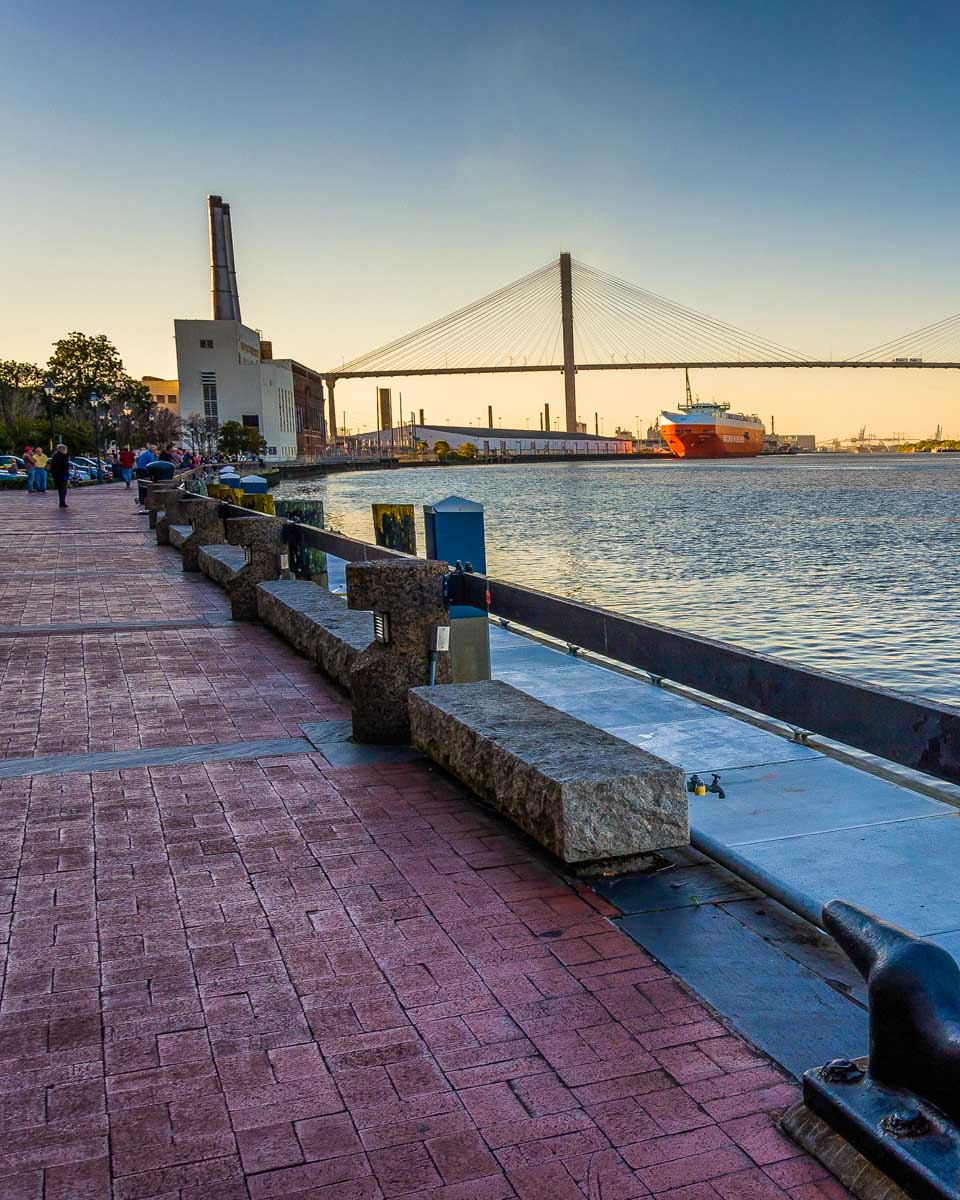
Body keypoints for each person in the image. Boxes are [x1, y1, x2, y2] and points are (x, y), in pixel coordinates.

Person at [49, 443, 71, 509]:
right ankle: (62, 502)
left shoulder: (55, 456)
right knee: (63, 489)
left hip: (56, 475)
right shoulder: (63, 456)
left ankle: (62, 502)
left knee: (60, 489)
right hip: (62, 475)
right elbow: (64, 466)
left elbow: (52, 466)